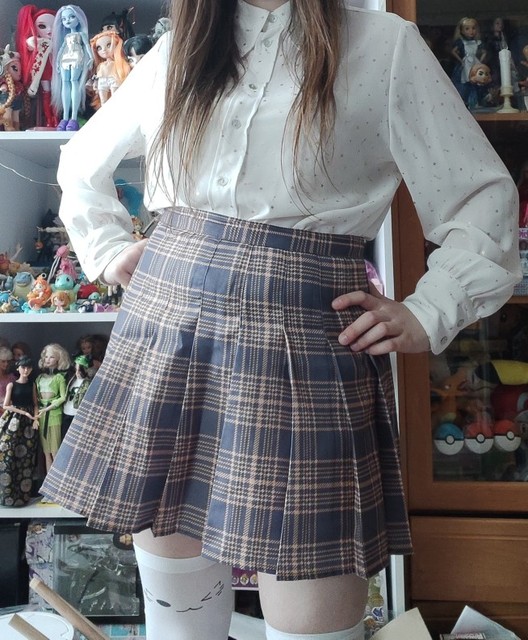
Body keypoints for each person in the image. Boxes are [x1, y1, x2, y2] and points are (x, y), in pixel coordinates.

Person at [41, 2, 522, 640]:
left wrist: (431, 307)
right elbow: (81, 161)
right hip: (168, 330)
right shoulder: (185, 45)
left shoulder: (384, 46)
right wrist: (106, 248)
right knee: (179, 619)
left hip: (306, 340)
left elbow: (482, 197)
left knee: (311, 611)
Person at [0, 356, 39, 506]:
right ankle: (6, 495)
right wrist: (24, 413)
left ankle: (23, 496)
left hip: (28, 425)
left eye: (28, 368)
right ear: (18, 368)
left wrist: (35, 418)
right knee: (8, 454)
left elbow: (35, 404)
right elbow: (6, 405)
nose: (26, 370)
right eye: (23, 367)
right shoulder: (12, 385)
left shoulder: (32, 385)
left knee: (26, 458)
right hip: (13, 420)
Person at [50, 5, 93, 132]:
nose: (67, 20)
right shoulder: (65, 37)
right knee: (65, 83)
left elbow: (87, 46)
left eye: (72, 17)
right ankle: (65, 117)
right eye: (64, 19)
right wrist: (57, 62)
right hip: (65, 58)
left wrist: (91, 58)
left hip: (77, 57)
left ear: (79, 19)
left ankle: (73, 117)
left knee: (74, 82)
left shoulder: (81, 34)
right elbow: (61, 49)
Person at [16, 5, 58, 128]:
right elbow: (29, 43)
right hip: (44, 71)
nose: (49, 30)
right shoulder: (36, 41)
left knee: (56, 94)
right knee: (46, 94)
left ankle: (56, 118)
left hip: (57, 71)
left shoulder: (59, 43)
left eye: (54, 26)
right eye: (42, 26)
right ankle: (49, 119)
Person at [35, 343, 70, 475]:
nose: (48, 359)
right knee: (46, 452)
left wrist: (49, 407)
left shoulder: (59, 378)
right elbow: (36, 398)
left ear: (58, 359)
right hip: (42, 415)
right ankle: (48, 482)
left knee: (55, 450)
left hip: (54, 414)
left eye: (52, 357)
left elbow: (63, 397)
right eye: (46, 357)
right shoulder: (39, 378)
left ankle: (57, 480)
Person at [89, 30, 130, 110]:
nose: (103, 50)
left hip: (113, 79)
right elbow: (97, 75)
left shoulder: (118, 63)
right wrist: (95, 83)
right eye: (99, 48)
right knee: (103, 100)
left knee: (115, 99)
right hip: (102, 81)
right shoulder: (101, 65)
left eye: (108, 45)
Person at [451, 17, 487, 106]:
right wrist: (461, 61)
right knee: (465, 80)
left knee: (477, 80)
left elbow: (484, 52)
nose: (471, 31)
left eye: (473, 28)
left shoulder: (477, 42)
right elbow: (453, 51)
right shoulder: (461, 42)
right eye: (467, 29)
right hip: (466, 62)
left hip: (474, 62)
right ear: (462, 31)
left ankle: (476, 101)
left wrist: (480, 62)